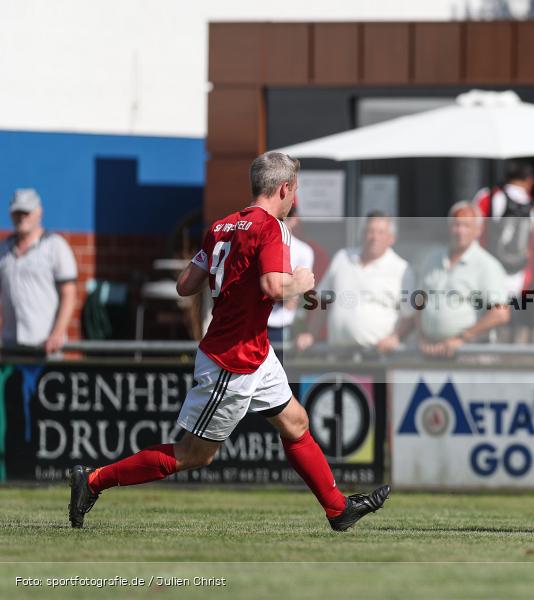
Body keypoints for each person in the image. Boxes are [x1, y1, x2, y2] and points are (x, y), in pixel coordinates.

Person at [67, 152, 389, 530]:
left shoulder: (222, 226)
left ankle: (338, 509)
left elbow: (185, 285)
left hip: (254, 349)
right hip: (233, 359)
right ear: (284, 188)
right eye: (294, 191)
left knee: (296, 422)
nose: (292, 200)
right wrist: (301, 282)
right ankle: (92, 481)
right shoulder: (272, 227)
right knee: (193, 455)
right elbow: (274, 286)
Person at [295, 212, 414, 353]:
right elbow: (322, 302)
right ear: (362, 234)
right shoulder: (342, 258)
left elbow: (410, 315)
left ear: (391, 239)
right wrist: (311, 334)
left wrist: (395, 338)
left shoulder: (401, 269)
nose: (374, 237)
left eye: (381, 232)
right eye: (370, 231)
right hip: (337, 353)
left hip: (378, 355)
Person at [417, 201, 510, 358]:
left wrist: (462, 338)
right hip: (430, 353)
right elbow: (418, 303)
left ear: (478, 230)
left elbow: (500, 314)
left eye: (466, 226)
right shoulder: (431, 259)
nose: (460, 231)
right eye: (456, 225)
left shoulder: (487, 265)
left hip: (469, 354)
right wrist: (422, 336)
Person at [473, 161, 534, 342]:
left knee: (484, 325)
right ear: (530, 180)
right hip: (520, 280)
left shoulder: (486, 198)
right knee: (516, 332)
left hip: (486, 275)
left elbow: (473, 235)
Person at [0, 188, 77, 355]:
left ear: (39, 213)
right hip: (11, 346)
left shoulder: (55, 246)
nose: (22, 217)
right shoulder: (3, 251)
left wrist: (57, 334)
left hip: (45, 346)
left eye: (26, 212)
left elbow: (69, 294)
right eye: (17, 213)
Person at [267, 224, 314, 360]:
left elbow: (297, 295)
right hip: (257, 323)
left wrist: (289, 292)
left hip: (284, 325)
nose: (285, 220)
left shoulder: (302, 250)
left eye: (291, 214)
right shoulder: (263, 243)